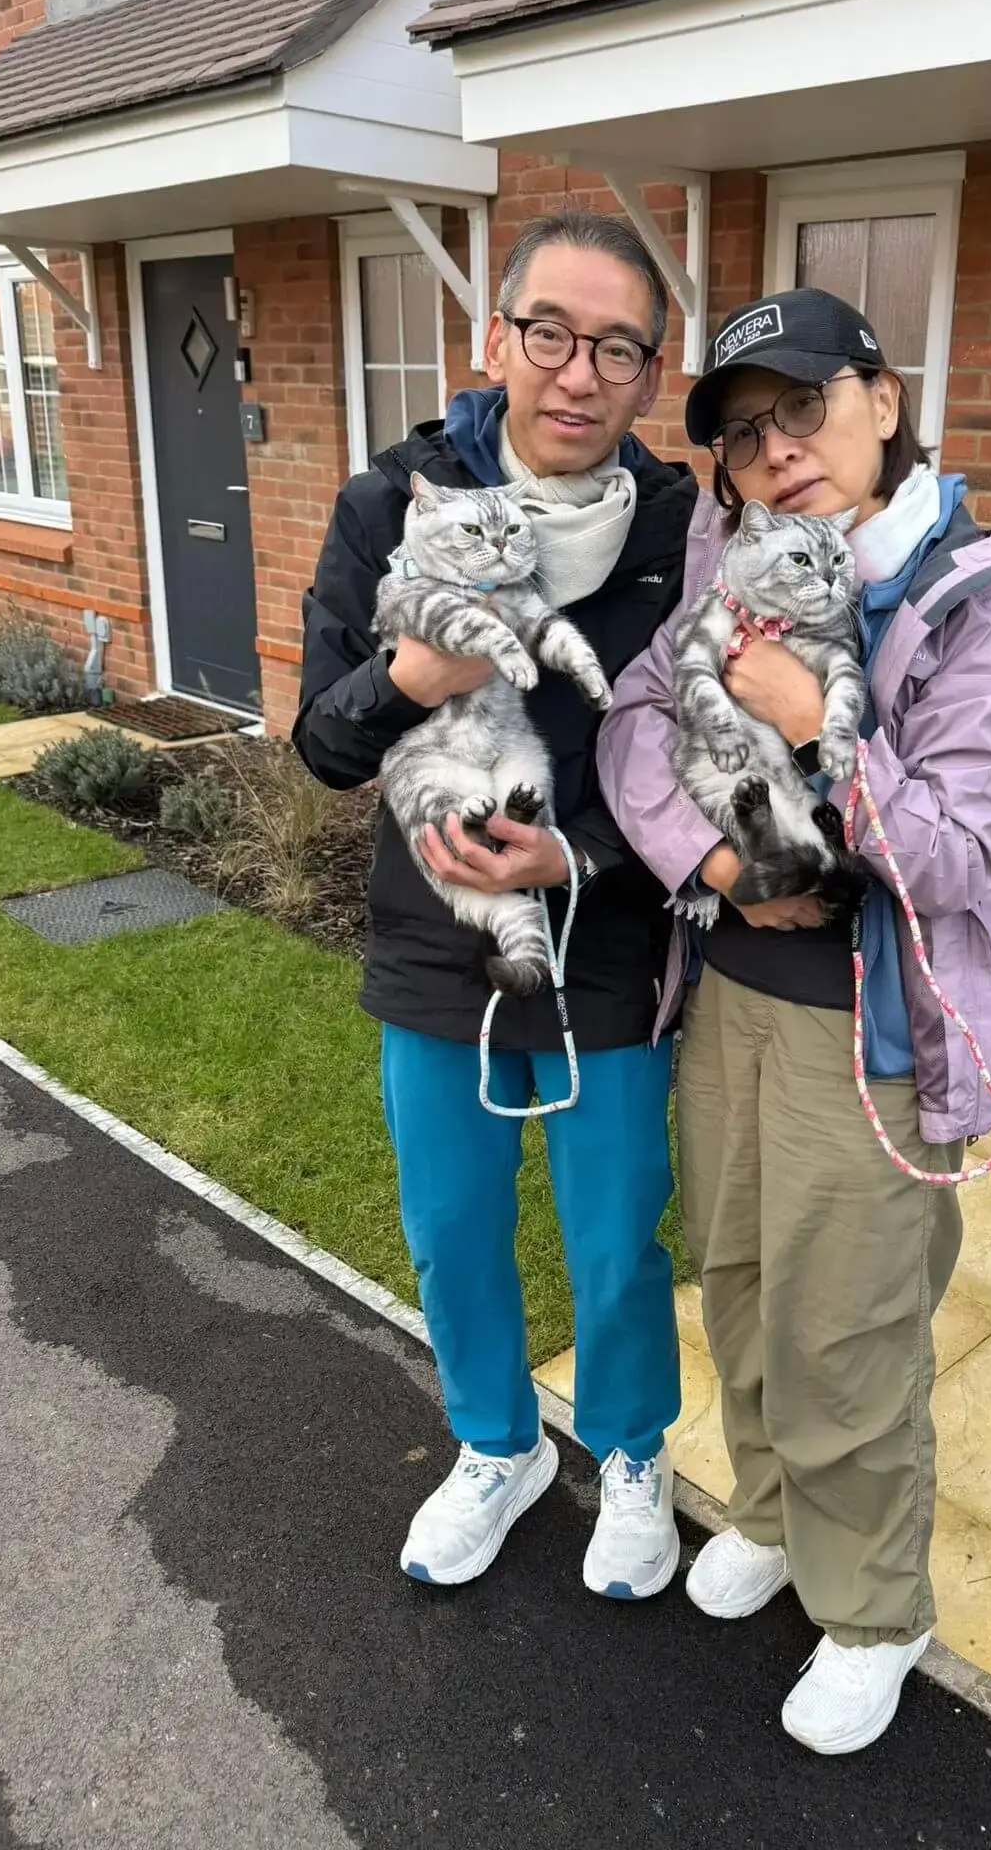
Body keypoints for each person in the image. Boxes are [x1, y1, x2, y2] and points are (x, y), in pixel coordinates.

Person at [597, 288, 991, 1751]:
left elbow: (956, 859)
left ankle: (874, 1611)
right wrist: (721, 866)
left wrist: (812, 717)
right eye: (744, 437)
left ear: (884, 398)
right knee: (739, 1283)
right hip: (729, 1003)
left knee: (848, 1330)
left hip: (874, 1040)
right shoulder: (730, 564)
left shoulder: (986, 614)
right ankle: (771, 1509)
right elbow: (633, 722)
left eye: (803, 408)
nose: (777, 451)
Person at [294, 212, 698, 1599]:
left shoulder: (683, 533)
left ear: (651, 375)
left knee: (616, 1236)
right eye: (550, 334)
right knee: (452, 1228)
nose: (579, 373)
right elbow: (323, 741)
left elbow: (700, 761)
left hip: (611, 947)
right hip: (437, 943)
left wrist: (573, 859)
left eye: (617, 348)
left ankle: (631, 1453)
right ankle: (498, 1445)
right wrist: (410, 679)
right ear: (495, 340)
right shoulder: (391, 506)